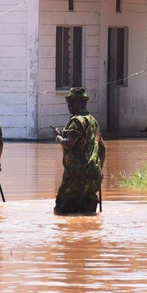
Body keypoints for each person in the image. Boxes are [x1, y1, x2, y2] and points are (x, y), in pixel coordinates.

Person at [52, 87, 105, 215]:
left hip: (76, 174)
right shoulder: (93, 121)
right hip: (93, 174)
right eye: (68, 102)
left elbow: (69, 143)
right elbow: (102, 148)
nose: (69, 105)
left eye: (72, 102)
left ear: (82, 103)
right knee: (88, 214)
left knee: (61, 212)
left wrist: (58, 138)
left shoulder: (76, 121)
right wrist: (99, 169)